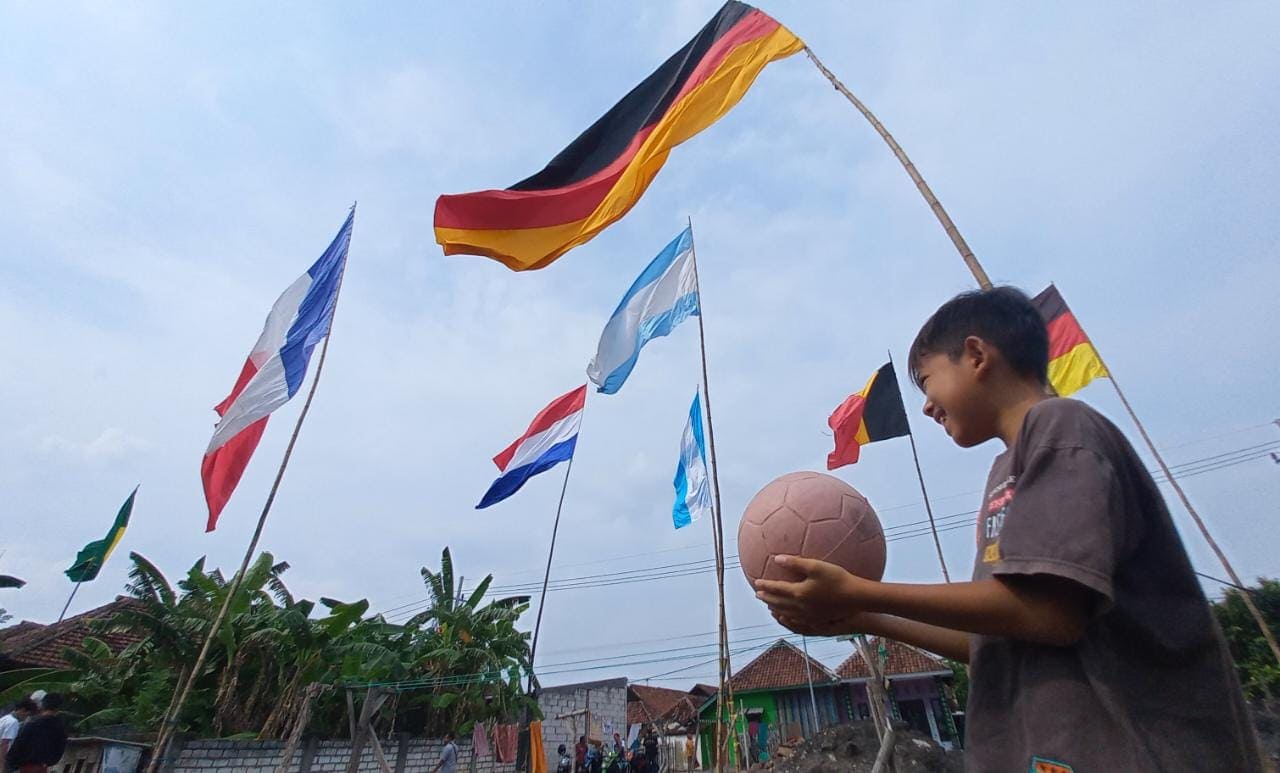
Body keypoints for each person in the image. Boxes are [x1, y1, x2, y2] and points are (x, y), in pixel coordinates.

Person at [754, 286, 1264, 771]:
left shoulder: (1063, 428)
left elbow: (1051, 614)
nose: (928, 405)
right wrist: (862, 616)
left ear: (976, 355)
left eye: (928, 382)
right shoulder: (1006, 470)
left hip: (1135, 750)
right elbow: (996, 637)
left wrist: (860, 591)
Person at [4, 693, 66, 773]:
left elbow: (17, 746)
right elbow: (60, 750)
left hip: (25, 767)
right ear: (58, 708)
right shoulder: (60, 728)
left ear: (42, 706)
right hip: (43, 767)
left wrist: (11, 764)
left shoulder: (32, 724)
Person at [0, 699, 37, 773]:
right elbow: (4, 744)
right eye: (27, 714)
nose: (26, 718)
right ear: (23, 710)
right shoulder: (13, 722)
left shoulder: (5, 718)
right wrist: (1, 766)